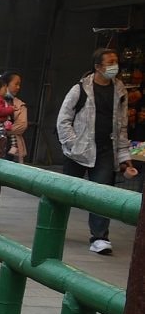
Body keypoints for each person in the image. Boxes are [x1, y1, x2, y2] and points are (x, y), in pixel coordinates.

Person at [56, 46, 136, 254]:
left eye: (115, 61)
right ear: (98, 66)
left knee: (102, 194)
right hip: (78, 150)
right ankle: (54, 227)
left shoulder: (120, 91)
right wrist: (72, 144)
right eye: (109, 63)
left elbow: (122, 126)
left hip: (105, 150)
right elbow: (63, 120)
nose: (114, 66)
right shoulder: (80, 88)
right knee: (64, 192)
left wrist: (125, 159)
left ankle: (100, 237)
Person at [1, 71, 30, 162]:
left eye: (19, 84)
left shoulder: (20, 104)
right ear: (6, 84)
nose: (18, 87)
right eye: (16, 84)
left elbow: (22, 126)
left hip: (11, 146)